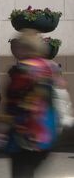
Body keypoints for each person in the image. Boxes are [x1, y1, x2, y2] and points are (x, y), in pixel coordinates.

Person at [5, 31, 62, 178]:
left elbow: (13, 102)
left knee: (22, 173)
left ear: (25, 48)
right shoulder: (49, 67)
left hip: (24, 133)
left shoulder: (22, 69)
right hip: (46, 133)